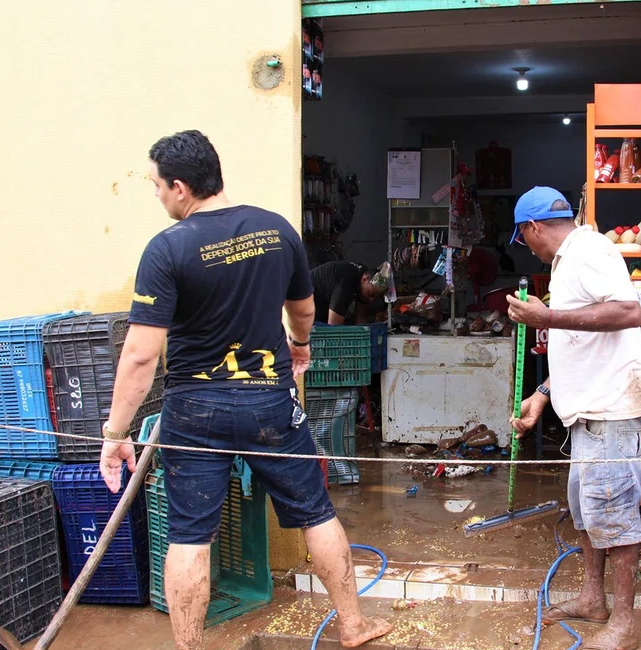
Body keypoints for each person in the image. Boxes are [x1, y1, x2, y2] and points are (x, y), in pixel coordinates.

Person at [98, 130, 391, 650]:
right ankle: (353, 625)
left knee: (190, 536)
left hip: (195, 409)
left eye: (158, 186)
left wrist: (115, 432)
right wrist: (300, 346)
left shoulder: (167, 249)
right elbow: (303, 310)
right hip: (269, 403)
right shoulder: (276, 230)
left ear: (182, 187)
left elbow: (142, 354)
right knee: (315, 511)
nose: (158, 195)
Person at [505, 186, 641, 650]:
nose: (526, 246)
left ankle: (624, 626)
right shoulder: (568, 259)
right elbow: (582, 342)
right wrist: (543, 393)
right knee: (588, 514)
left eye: (524, 237)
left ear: (533, 228)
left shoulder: (588, 249)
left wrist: (545, 316)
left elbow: (629, 311)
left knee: (616, 518)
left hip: (610, 410)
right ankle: (594, 599)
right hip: (585, 411)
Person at [311, 260, 389, 324]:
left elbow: (360, 319)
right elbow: (333, 328)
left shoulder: (362, 275)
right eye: (370, 294)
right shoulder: (346, 284)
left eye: (375, 298)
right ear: (365, 279)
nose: (371, 300)